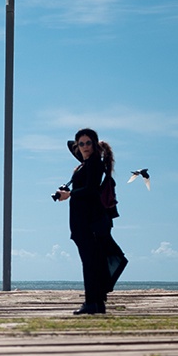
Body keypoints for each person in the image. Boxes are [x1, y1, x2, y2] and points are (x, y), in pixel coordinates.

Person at [56, 128, 128, 315]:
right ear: (77, 147)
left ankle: (92, 302)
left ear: (94, 145)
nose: (85, 146)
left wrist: (70, 193)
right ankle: (97, 303)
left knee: (91, 262)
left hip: (91, 221)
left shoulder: (95, 163)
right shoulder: (85, 165)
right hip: (83, 220)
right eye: (81, 144)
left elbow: (91, 190)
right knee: (92, 261)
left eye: (88, 143)